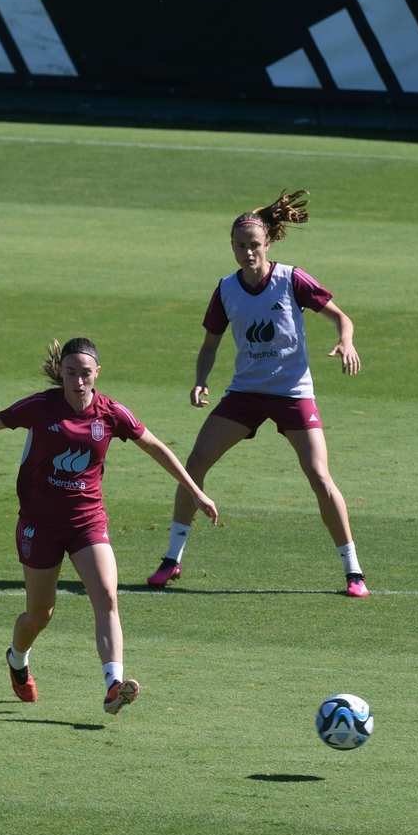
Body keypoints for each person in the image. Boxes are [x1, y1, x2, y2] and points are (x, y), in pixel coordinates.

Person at [0, 338, 218, 715]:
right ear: (62, 374)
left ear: (97, 373)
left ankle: (112, 685)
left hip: (87, 523)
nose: (79, 381)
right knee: (40, 615)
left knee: (106, 597)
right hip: (39, 525)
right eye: (71, 373)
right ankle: (17, 660)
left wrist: (196, 492)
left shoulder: (111, 413)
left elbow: (155, 447)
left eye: (86, 374)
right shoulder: (40, 407)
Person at [146, 190, 368, 597]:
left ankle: (353, 570)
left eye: (254, 245)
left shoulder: (290, 279)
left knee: (319, 476)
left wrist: (346, 340)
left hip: (292, 392)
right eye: (240, 246)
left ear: (267, 244)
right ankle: (172, 559)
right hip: (246, 393)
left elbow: (340, 317)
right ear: (231, 247)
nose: (247, 252)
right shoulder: (226, 289)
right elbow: (210, 346)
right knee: (194, 463)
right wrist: (201, 380)